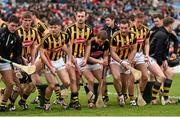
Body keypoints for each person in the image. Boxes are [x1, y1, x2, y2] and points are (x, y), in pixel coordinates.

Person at [39, 18, 71, 110]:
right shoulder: (46, 39)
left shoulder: (65, 36)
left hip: (59, 60)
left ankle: (60, 99)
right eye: (51, 27)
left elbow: (69, 46)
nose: (53, 29)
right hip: (48, 62)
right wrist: (50, 67)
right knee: (52, 85)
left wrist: (69, 60)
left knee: (66, 82)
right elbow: (42, 54)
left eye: (55, 27)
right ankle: (46, 102)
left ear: (60, 27)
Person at [65, 8, 95, 109]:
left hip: (82, 58)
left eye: (82, 16)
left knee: (90, 79)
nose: (80, 18)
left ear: (86, 17)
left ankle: (90, 101)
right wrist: (71, 57)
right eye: (79, 16)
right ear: (75, 17)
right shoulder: (69, 29)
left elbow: (88, 45)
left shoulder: (89, 30)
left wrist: (86, 59)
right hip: (71, 58)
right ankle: (74, 102)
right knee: (75, 80)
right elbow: (65, 46)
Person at [110, 19, 137, 106]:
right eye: (122, 28)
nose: (123, 30)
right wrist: (121, 62)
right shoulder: (115, 35)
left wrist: (128, 61)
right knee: (116, 77)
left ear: (129, 27)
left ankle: (124, 96)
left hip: (126, 59)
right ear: (119, 27)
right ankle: (120, 95)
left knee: (125, 83)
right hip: (116, 59)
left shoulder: (133, 35)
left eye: (125, 28)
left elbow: (134, 49)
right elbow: (113, 52)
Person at [149, 17, 175, 104]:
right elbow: (157, 51)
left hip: (159, 58)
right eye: (173, 24)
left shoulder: (166, 33)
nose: (173, 26)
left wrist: (165, 60)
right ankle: (153, 99)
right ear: (170, 24)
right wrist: (160, 63)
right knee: (161, 76)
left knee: (170, 74)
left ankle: (166, 99)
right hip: (152, 58)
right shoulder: (161, 34)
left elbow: (164, 49)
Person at [0, 15, 22, 112]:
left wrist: (17, 63)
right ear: (8, 23)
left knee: (10, 84)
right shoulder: (0, 32)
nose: (14, 28)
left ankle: (3, 104)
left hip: (5, 62)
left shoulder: (16, 37)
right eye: (12, 25)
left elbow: (17, 54)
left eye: (16, 26)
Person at [87, 30, 109, 106]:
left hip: (95, 64)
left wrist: (105, 60)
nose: (101, 43)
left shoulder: (106, 43)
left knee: (102, 80)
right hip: (85, 64)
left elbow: (105, 54)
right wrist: (100, 62)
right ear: (96, 37)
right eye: (100, 41)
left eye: (102, 42)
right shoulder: (90, 42)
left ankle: (100, 98)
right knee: (91, 80)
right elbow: (87, 57)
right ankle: (90, 101)